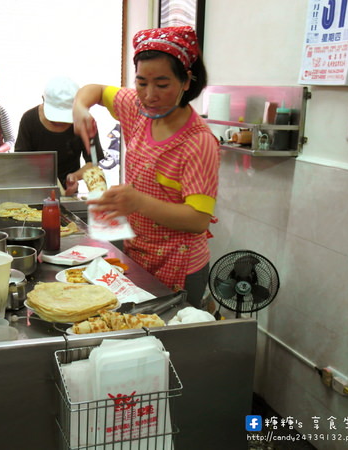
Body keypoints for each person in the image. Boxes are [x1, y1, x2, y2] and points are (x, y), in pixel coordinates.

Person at [73, 26, 220, 308]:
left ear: (186, 81)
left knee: (167, 340)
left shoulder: (199, 142)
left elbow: (198, 218)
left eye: (162, 84)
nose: (149, 95)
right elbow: (97, 90)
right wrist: (80, 108)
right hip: (138, 252)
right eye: (141, 82)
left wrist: (138, 202)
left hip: (180, 263)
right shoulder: (136, 107)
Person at [14, 76, 104, 195]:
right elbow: (21, 161)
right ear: (43, 99)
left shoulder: (85, 121)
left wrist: (75, 177)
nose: (60, 122)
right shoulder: (29, 120)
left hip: (69, 192)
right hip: (34, 190)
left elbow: (93, 162)